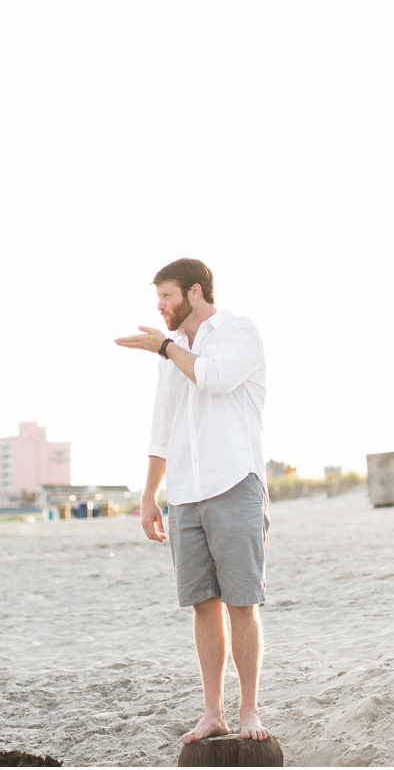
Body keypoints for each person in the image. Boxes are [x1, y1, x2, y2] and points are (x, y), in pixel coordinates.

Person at [115, 258, 271, 746]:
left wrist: (164, 347)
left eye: (165, 296)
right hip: (184, 494)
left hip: (233, 482)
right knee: (202, 605)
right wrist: (148, 495)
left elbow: (215, 378)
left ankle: (249, 710)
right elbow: (163, 429)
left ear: (195, 292)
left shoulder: (239, 332)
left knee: (241, 602)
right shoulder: (173, 351)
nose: (159, 306)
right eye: (157, 298)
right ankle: (213, 712)